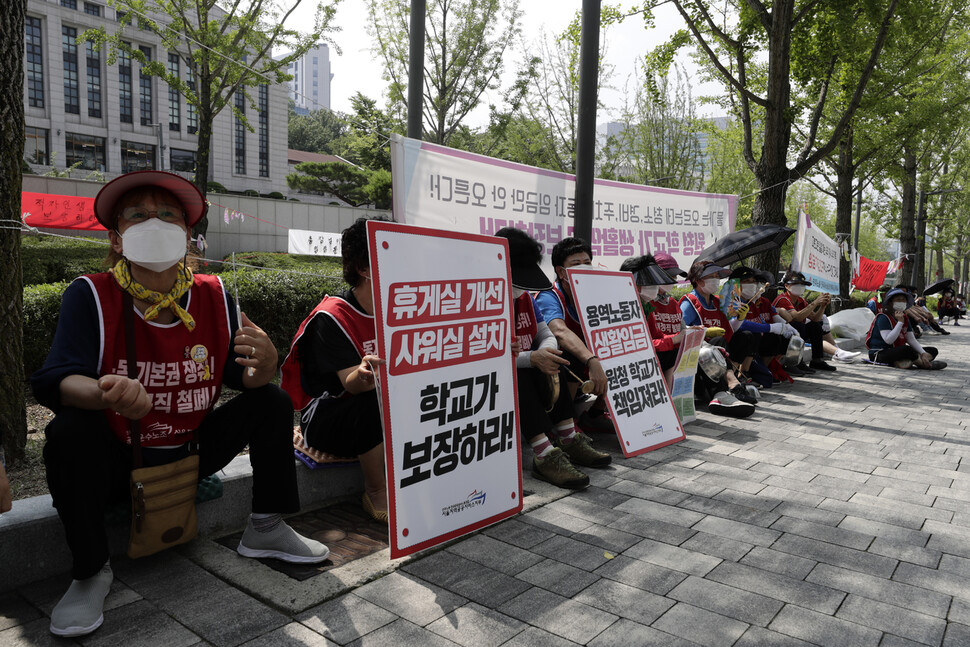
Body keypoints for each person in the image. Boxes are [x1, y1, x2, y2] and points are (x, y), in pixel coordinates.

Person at [32, 171, 328, 639]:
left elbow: (243, 380)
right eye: (139, 214)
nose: (156, 221)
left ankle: (266, 527)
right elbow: (53, 381)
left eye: (169, 214)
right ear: (116, 237)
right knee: (69, 432)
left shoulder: (214, 297)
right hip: (119, 458)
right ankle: (90, 571)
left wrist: (266, 364)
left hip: (188, 452)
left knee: (270, 402)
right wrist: (105, 392)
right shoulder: (90, 295)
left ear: (188, 234)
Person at [281, 217, 389, 522]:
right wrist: (365, 373)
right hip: (330, 413)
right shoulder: (333, 316)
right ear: (363, 268)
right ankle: (375, 490)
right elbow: (352, 385)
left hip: (383, 408)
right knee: (372, 395)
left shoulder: (404, 306)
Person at [495, 228, 611, 489]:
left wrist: (544, 352)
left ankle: (568, 437)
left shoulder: (525, 296)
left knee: (556, 357)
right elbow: (487, 357)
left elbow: (545, 332)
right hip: (500, 376)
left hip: (529, 360)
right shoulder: (482, 301)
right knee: (521, 372)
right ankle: (544, 453)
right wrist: (532, 358)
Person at [622, 254, 753, 418]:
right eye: (666, 275)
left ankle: (722, 392)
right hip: (668, 358)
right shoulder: (684, 302)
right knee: (691, 352)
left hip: (685, 357)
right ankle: (725, 389)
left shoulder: (675, 303)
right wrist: (685, 337)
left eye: (674, 276)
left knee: (724, 342)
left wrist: (700, 333)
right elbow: (653, 340)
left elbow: (681, 331)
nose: (670, 280)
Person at [534, 238, 613, 433]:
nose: (584, 268)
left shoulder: (595, 294)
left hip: (587, 364)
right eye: (576, 264)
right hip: (549, 370)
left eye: (587, 263)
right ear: (561, 271)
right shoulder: (549, 295)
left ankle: (595, 414)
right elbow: (559, 332)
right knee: (570, 356)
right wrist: (592, 360)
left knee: (619, 349)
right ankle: (565, 423)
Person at [680, 260, 762, 387]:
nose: (716, 279)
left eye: (717, 276)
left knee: (745, 336)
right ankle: (728, 383)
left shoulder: (718, 302)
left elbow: (729, 329)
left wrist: (740, 318)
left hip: (721, 351)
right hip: (701, 353)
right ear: (698, 279)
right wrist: (705, 331)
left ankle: (729, 377)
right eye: (711, 277)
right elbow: (680, 329)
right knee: (718, 341)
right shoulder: (689, 303)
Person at [772, 271, 840, 372]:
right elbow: (796, 317)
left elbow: (815, 318)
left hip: (794, 332)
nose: (800, 286)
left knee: (815, 326)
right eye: (796, 284)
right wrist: (815, 302)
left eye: (802, 284)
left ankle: (817, 360)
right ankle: (793, 362)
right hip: (780, 334)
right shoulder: (783, 299)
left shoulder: (800, 300)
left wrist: (822, 306)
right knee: (798, 325)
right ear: (786, 286)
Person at [865, 287, 946, 369]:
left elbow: (911, 339)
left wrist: (923, 353)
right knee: (907, 350)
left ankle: (906, 361)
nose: (901, 302)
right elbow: (889, 340)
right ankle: (922, 364)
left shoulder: (905, 318)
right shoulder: (883, 317)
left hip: (897, 350)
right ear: (890, 302)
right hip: (880, 353)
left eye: (903, 300)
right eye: (898, 300)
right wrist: (900, 322)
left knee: (932, 350)